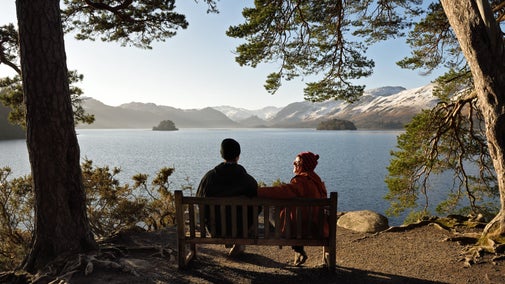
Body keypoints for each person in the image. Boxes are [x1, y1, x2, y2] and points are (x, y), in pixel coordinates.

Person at [258, 151, 329, 266]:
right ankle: (298, 249)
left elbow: (281, 191)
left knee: (270, 208)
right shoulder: (317, 181)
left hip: (301, 228)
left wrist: (257, 191)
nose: (294, 164)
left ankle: (293, 246)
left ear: (304, 165)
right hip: (316, 226)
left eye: (296, 162)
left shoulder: (300, 182)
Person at [196, 138, 258, 256]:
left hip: (216, 230)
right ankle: (238, 243)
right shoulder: (247, 180)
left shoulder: (209, 178)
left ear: (221, 154)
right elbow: (257, 203)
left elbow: (200, 200)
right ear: (238, 156)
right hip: (241, 230)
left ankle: (233, 241)